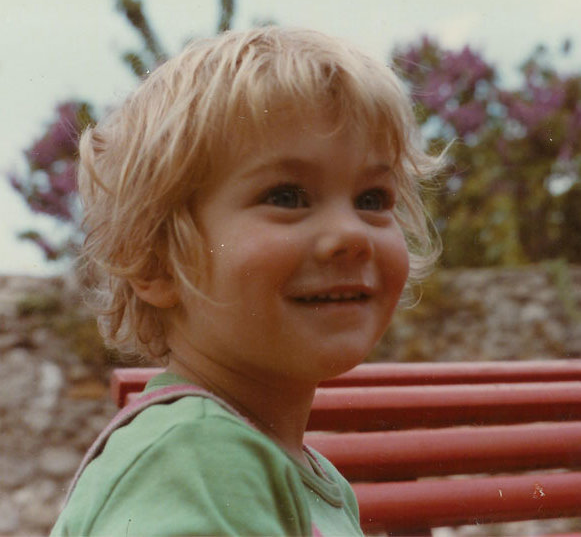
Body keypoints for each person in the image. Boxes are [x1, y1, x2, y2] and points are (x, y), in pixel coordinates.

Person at [51, 26, 441, 536]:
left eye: (372, 199)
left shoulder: (289, 469)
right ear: (152, 262)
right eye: (287, 197)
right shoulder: (192, 461)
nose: (351, 234)